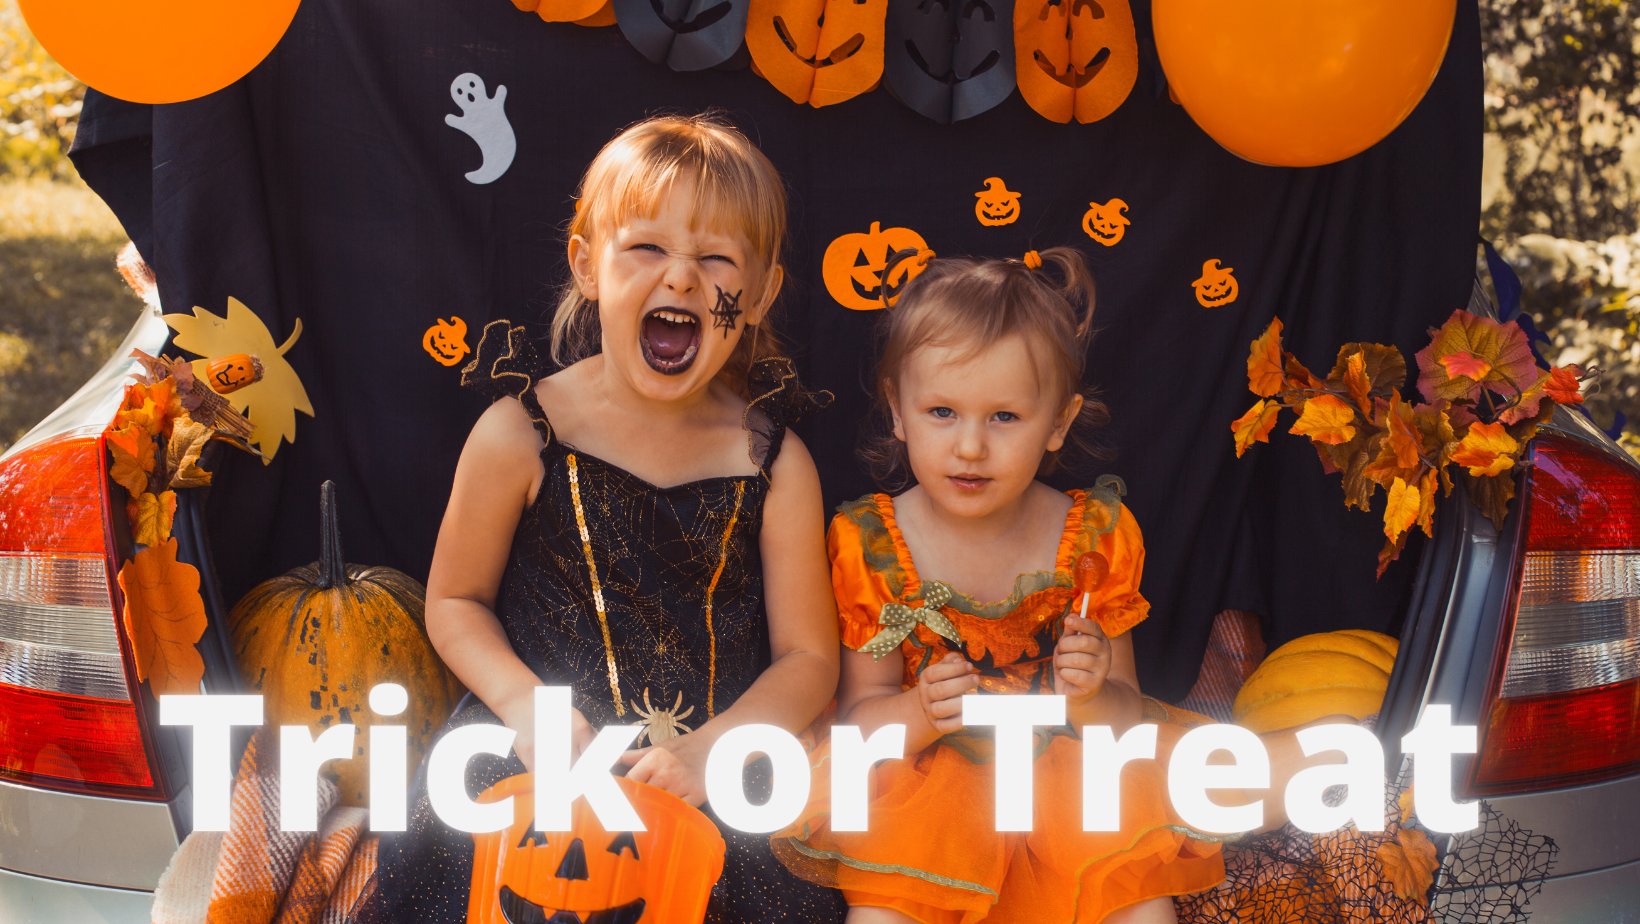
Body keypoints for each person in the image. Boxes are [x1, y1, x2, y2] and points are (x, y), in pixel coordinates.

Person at [375, 113, 848, 924]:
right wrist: (527, 709)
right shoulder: (521, 433)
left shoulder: (773, 462)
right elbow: (453, 603)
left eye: (717, 259)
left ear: (761, 294)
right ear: (587, 266)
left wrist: (717, 751)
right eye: (647, 250)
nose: (683, 279)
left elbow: (808, 658)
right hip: (540, 766)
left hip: (709, 774)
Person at [772, 247, 1227, 924]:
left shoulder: (1094, 536)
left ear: (1059, 424)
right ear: (898, 410)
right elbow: (861, 721)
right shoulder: (871, 543)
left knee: (1139, 903)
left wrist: (1095, 690)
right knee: (884, 915)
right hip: (926, 787)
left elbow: (1128, 719)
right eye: (942, 413)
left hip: (1068, 777)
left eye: (1005, 417)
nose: (971, 447)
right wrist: (921, 712)